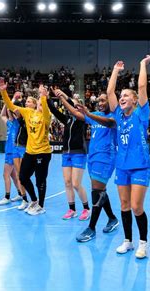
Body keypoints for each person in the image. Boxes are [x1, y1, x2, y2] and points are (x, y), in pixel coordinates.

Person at [54, 90, 119, 242]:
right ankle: (112, 219)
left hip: (106, 158)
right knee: (100, 191)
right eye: (99, 101)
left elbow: (108, 123)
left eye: (104, 100)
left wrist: (88, 113)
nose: (101, 103)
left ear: (110, 101)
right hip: (93, 157)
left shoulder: (114, 116)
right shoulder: (94, 115)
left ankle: (91, 228)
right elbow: (75, 110)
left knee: (96, 192)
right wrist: (63, 97)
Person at [107, 56, 150, 259]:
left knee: (136, 206)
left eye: (127, 95)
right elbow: (110, 92)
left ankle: (143, 243)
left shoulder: (141, 114)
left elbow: (142, 87)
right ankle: (128, 241)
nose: (122, 97)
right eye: (121, 95)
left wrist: (142, 65)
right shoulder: (118, 116)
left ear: (134, 100)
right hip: (122, 167)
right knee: (124, 206)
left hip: (140, 166)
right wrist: (116, 70)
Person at [0, 79, 51, 216]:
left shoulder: (46, 116)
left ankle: (41, 205)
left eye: (39, 103)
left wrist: (43, 97)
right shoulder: (28, 113)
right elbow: (10, 105)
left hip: (43, 152)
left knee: (40, 180)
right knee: (22, 176)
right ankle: (33, 200)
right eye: (37, 103)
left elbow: (45, 109)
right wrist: (3, 91)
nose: (38, 105)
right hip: (29, 151)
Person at [47, 90, 90, 221]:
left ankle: (86, 208)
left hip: (79, 153)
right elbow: (54, 111)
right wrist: (46, 97)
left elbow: (70, 104)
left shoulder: (82, 118)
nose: (73, 105)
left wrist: (63, 98)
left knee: (76, 183)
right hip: (66, 153)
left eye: (76, 104)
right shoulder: (67, 120)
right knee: (67, 182)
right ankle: (72, 209)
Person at [0, 100, 25, 207]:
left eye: (10, 111)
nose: (8, 112)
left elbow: (13, 112)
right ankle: (20, 194)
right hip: (8, 151)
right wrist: (8, 101)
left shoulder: (18, 123)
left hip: (13, 152)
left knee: (6, 175)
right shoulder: (10, 123)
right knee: (14, 176)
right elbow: (2, 114)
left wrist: (12, 103)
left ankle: (7, 197)